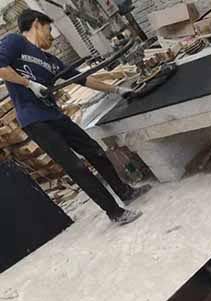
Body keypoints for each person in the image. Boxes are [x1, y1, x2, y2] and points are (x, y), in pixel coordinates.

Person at [0, 10, 149, 226]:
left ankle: (124, 192)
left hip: (55, 115)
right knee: (76, 167)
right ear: (36, 24)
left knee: (94, 151)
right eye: (49, 28)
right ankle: (115, 213)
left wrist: (117, 90)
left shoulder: (50, 60)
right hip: (35, 120)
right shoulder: (15, 42)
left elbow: (83, 79)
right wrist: (29, 84)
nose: (51, 35)